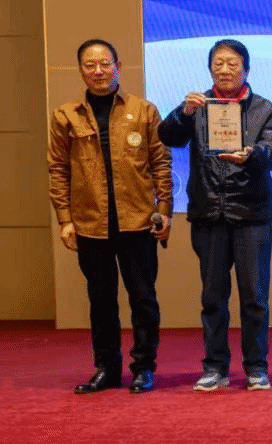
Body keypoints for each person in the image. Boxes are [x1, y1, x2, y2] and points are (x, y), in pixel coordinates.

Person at [158, 39, 272, 392]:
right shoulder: (197, 106)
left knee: (254, 298)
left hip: (251, 215)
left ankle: (256, 367)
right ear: (210, 68)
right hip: (209, 213)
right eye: (218, 63)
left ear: (246, 69)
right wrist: (182, 113)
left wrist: (252, 153)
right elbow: (167, 136)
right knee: (212, 297)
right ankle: (215, 366)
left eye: (232, 63)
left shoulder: (266, 110)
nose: (225, 69)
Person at [48, 39, 172, 394]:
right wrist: (65, 220)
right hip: (90, 224)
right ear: (81, 70)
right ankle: (107, 368)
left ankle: (143, 367)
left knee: (143, 299)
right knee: (100, 301)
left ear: (119, 66)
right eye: (90, 65)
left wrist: (164, 212)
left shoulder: (144, 111)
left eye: (105, 64)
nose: (98, 71)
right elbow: (58, 169)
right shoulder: (66, 115)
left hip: (138, 222)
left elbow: (161, 164)